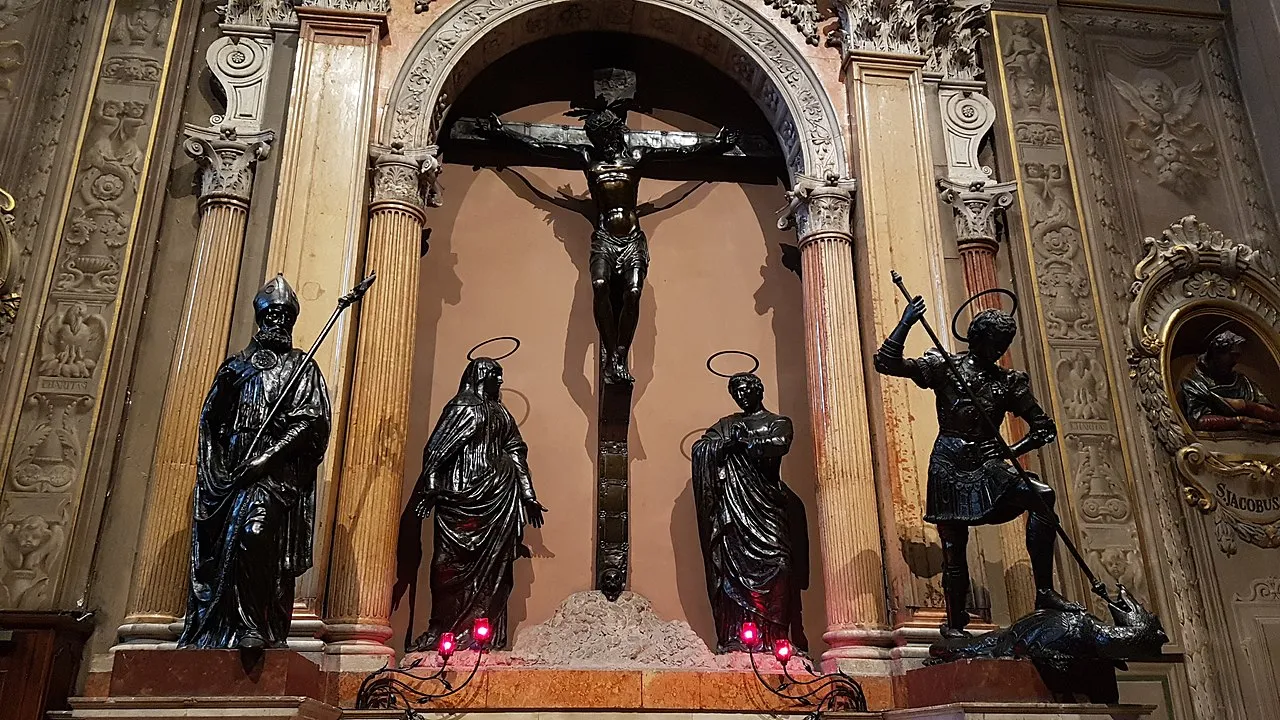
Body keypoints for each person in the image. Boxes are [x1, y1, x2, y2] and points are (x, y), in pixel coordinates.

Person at [480, 71, 737, 384]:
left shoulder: (637, 159)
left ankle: (618, 354)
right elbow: (540, 146)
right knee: (600, 286)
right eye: (596, 138)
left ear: (616, 134)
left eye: (604, 137)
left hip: (631, 239)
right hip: (603, 239)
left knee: (632, 291)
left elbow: (683, 151)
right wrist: (504, 133)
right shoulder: (590, 160)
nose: (600, 142)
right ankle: (612, 354)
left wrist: (716, 144)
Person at [874, 297, 1081, 637]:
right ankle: (955, 624)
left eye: (1004, 345)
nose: (999, 351)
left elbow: (1044, 427)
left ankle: (1044, 591)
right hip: (949, 463)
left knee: (1042, 497)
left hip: (989, 464)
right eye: (994, 343)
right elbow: (886, 362)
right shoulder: (945, 367)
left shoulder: (1008, 381)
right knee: (955, 547)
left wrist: (1010, 449)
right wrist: (907, 321)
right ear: (977, 339)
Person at [178, 275, 331, 649]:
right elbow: (211, 420)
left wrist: (264, 458)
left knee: (256, 534)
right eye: (271, 315)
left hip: (272, 474)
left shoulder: (301, 367)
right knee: (220, 551)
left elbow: (310, 421)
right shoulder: (236, 366)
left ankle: (253, 626)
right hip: (232, 468)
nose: (278, 323)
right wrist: (221, 463)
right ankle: (217, 627)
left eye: (285, 317)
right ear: (260, 319)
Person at [395, 357, 546, 651]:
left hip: (498, 498)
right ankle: (441, 630)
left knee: (495, 572)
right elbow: (436, 450)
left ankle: (481, 634)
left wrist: (527, 494)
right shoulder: (461, 407)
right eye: (495, 375)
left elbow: (516, 450)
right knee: (446, 566)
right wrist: (430, 489)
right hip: (460, 498)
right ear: (479, 376)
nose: (500, 382)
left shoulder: (501, 413)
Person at [692, 372, 808, 653]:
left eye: (745, 389)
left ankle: (777, 637)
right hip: (735, 513)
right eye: (735, 393)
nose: (741, 396)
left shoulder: (778, 422)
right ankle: (742, 638)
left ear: (759, 390)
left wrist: (743, 443)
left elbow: (778, 445)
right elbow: (701, 449)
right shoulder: (727, 426)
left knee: (781, 565)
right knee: (735, 575)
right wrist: (725, 445)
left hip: (767, 508)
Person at [1179, 329, 1280, 435]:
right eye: (1232, 355)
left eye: (1237, 356)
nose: (1235, 361)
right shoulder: (1194, 384)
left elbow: (1274, 415)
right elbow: (1198, 421)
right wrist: (1240, 420)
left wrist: (1247, 406)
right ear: (1216, 352)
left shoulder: (1243, 383)